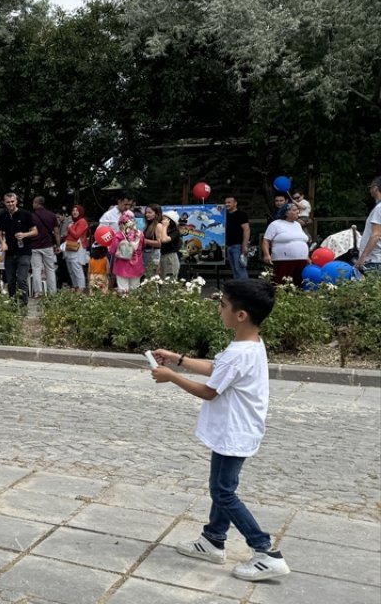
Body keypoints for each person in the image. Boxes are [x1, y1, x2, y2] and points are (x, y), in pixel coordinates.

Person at [151, 279, 291, 582]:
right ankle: (213, 539)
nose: (219, 309)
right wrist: (178, 359)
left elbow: (210, 392)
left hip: (235, 432)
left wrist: (171, 376)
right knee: (222, 487)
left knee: (223, 492)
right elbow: (218, 367)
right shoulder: (247, 345)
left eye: (223, 304)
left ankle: (266, 551)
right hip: (235, 430)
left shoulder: (241, 352)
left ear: (241, 315)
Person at [0, 193, 36, 307]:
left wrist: (25, 234)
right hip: (9, 252)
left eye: (12, 201)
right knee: (11, 280)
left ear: (16, 201)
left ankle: (24, 305)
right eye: (8, 202)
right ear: (5, 203)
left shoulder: (26, 214)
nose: (10, 204)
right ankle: (13, 304)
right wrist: (3, 243)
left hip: (24, 251)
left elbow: (35, 231)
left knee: (22, 279)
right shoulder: (2, 216)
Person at [262, 203, 309, 288]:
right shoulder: (275, 224)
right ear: (286, 213)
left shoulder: (297, 225)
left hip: (301, 260)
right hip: (283, 260)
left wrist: (307, 256)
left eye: (298, 210)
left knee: (298, 283)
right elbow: (266, 240)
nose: (298, 212)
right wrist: (266, 255)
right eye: (294, 210)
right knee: (281, 283)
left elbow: (301, 241)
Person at [112, 210, 146, 292]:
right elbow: (143, 247)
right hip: (136, 266)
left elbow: (113, 251)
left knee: (123, 290)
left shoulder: (118, 236)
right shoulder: (140, 234)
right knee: (135, 290)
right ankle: (135, 304)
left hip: (122, 267)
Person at [357, 176, 381, 276]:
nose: (370, 190)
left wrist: (363, 257)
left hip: (374, 260)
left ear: (375, 188)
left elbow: (376, 235)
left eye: (370, 187)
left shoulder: (379, 208)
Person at [62, 205, 89, 291]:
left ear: (80, 212)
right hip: (70, 247)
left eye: (77, 210)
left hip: (78, 247)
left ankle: (81, 287)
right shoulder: (74, 222)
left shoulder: (82, 221)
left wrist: (69, 228)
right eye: (73, 210)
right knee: (71, 268)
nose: (74, 212)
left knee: (77, 267)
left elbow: (77, 235)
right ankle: (75, 286)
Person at [224, 196, 250, 279]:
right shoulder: (225, 216)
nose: (226, 204)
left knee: (240, 269)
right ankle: (238, 289)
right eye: (226, 202)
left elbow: (246, 229)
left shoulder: (241, 214)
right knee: (234, 270)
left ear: (235, 203)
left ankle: (245, 289)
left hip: (238, 246)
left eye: (229, 202)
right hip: (229, 246)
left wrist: (244, 245)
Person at [160, 211, 183, 280]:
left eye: (164, 219)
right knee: (163, 281)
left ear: (170, 221)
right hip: (163, 257)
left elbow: (164, 239)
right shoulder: (165, 230)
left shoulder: (175, 231)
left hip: (170, 258)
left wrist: (164, 226)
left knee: (169, 281)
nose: (162, 221)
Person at [142, 205, 163, 277]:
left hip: (154, 254)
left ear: (157, 214)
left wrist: (144, 240)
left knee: (152, 277)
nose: (147, 214)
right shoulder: (148, 225)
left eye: (149, 212)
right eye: (146, 212)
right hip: (147, 254)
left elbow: (159, 243)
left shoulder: (158, 226)